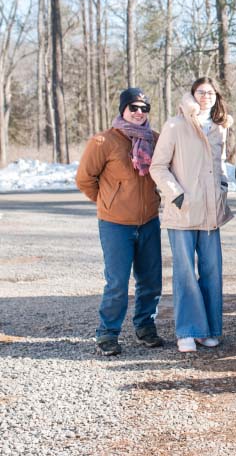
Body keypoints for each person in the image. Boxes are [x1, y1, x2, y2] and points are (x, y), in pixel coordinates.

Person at [76, 88, 164, 356]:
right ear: (123, 109)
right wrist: (107, 202)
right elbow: (84, 179)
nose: (139, 112)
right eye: (133, 107)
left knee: (150, 280)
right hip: (115, 224)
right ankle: (107, 333)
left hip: (148, 221)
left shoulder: (156, 139)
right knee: (117, 281)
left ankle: (145, 327)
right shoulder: (103, 141)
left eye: (144, 108)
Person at [150, 78, 233, 353]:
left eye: (210, 92)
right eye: (201, 92)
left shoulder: (220, 128)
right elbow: (158, 166)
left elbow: (220, 167)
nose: (206, 96)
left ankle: (209, 329)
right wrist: (177, 194)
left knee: (212, 271)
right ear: (192, 94)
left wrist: (222, 189)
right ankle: (187, 330)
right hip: (183, 211)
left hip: (211, 212)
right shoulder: (175, 125)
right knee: (185, 272)